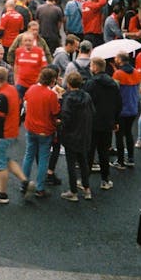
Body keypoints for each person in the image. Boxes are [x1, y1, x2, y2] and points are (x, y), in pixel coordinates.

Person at [0, 65, 31, 204]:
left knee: (0, 165)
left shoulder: (1, 97)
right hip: (12, 131)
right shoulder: (12, 90)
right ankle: (25, 182)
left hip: (3, 134)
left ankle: (2, 193)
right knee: (6, 159)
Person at [21, 66, 61, 198]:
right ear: (51, 81)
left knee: (28, 155)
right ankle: (39, 188)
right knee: (43, 159)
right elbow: (55, 112)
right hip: (45, 131)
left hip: (30, 128)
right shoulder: (51, 95)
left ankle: (24, 183)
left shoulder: (31, 89)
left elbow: (25, 103)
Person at [83, 56, 122, 190]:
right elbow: (118, 104)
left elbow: (85, 103)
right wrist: (116, 121)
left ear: (95, 67)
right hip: (107, 123)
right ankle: (105, 180)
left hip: (92, 123)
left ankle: (85, 181)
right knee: (104, 152)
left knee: (89, 151)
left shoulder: (90, 83)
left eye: (91, 65)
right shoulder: (113, 84)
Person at [58, 72, 95, 201]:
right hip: (84, 134)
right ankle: (87, 189)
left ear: (68, 84)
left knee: (71, 164)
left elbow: (66, 118)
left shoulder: (68, 98)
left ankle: (73, 192)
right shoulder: (87, 96)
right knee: (83, 162)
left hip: (71, 136)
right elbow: (93, 112)